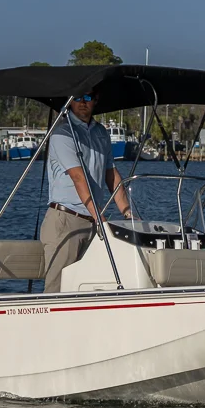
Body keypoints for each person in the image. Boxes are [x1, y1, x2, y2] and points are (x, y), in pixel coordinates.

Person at [41, 93, 133, 292]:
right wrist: (100, 217)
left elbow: (111, 174)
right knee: (57, 288)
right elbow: (78, 177)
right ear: (70, 102)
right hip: (66, 220)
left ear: (96, 100)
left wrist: (128, 212)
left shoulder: (101, 132)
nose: (83, 102)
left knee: (89, 286)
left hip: (93, 221)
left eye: (88, 97)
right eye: (78, 97)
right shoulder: (62, 133)